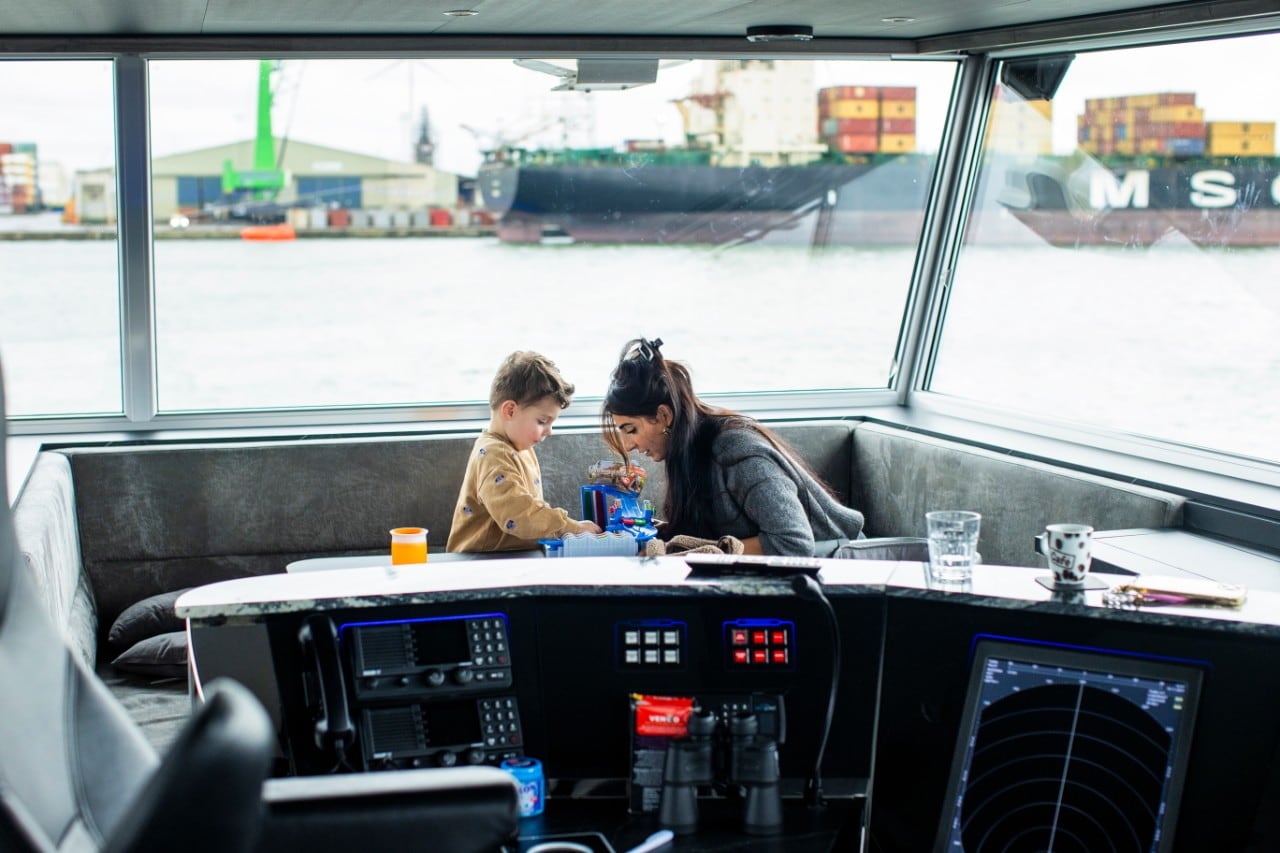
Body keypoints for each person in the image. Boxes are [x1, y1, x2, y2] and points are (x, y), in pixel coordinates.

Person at [602, 337, 864, 557]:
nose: (628, 445)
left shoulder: (737, 451)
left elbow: (792, 542)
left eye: (631, 429)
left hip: (841, 564)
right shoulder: (686, 453)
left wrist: (695, 552)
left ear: (663, 417)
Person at [448, 351, 601, 552]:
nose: (549, 431)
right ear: (510, 411)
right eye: (542, 421)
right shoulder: (494, 454)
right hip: (480, 565)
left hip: (503, 560)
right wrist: (572, 528)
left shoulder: (518, 447)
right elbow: (519, 514)